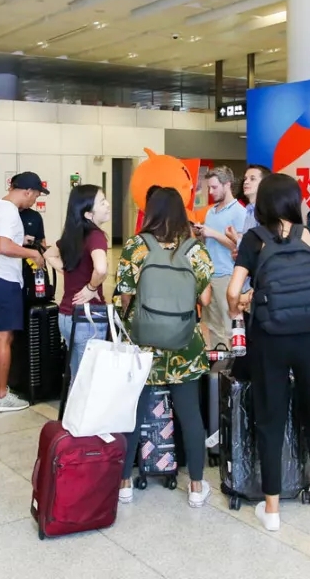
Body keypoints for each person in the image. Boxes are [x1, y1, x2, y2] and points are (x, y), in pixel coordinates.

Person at [227, 173, 310, 531]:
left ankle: (272, 510)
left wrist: (241, 305)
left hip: (271, 337)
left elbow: (233, 291)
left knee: (270, 418)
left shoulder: (254, 239)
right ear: (294, 201)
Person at [115, 187, 213, 508]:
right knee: (190, 415)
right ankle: (196, 487)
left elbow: (125, 293)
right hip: (184, 345)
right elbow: (206, 298)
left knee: (133, 411)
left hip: (144, 344)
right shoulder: (195, 250)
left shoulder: (136, 246)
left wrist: (137, 321)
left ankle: (125, 484)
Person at [0, 172, 47, 412]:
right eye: (36, 195)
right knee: (4, 337)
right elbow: (3, 246)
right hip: (4, 281)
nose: (35, 200)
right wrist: (33, 253)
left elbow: (1, 240)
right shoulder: (10, 212)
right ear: (27, 191)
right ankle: (1, 395)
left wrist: (21, 240)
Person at [44, 184, 111, 382]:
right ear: (89, 214)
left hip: (66, 316)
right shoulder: (96, 236)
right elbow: (101, 268)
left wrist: (68, 271)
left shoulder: (72, 235)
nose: (108, 205)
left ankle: (73, 403)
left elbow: (49, 254)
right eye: (102, 202)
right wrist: (91, 287)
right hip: (87, 318)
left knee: (77, 374)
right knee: (87, 379)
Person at [195, 166, 242, 347]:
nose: (210, 192)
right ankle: (218, 359)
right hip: (210, 274)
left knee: (229, 325)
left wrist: (213, 233)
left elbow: (239, 246)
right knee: (212, 325)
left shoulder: (239, 212)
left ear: (227, 185)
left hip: (227, 274)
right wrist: (201, 233)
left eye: (214, 187)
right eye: (209, 187)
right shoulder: (211, 211)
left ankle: (232, 362)